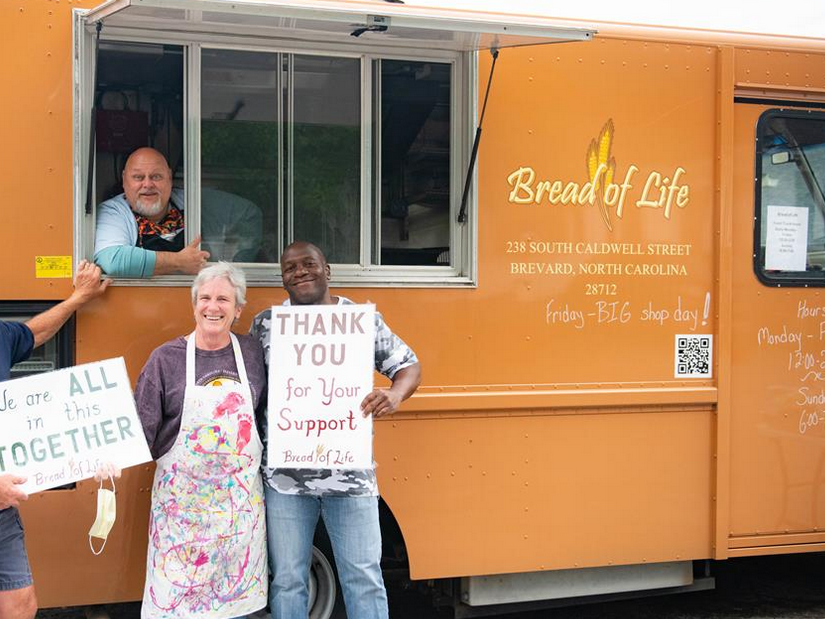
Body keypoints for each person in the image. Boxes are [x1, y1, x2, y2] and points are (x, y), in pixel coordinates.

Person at [250, 241, 422, 619]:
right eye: (290, 268)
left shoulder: (360, 321)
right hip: (284, 481)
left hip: (351, 478)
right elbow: (249, 389)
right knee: (288, 579)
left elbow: (409, 366)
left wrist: (395, 394)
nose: (300, 272)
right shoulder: (266, 325)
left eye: (308, 264)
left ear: (327, 270)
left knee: (363, 576)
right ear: (283, 280)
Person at [134, 262, 268, 618]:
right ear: (194, 305)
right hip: (181, 524)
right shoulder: (165, 359)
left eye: (223, 299)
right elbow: (138, 432)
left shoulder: (253, 354)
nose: (213, 306)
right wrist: (106, 459)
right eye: (205, 298)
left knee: (237, 612)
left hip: (238, 521)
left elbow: (267, 421)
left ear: (238, 309)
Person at [0, 260, 110, 619]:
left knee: (20, 604)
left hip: (2, 506)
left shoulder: (1, 338)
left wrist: (79, 297)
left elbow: (35, 333)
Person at [94, 147, 263, 278]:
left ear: (169, 178)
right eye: (138, 177)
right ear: (124, 180)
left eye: (156, 177)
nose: (147, 184)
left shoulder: (192, 200)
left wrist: (236, 267)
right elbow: (114, 260)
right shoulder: (113, 211)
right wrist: (180, 262)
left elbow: (249, 213)